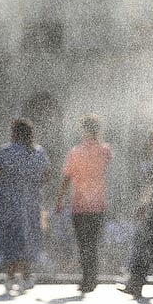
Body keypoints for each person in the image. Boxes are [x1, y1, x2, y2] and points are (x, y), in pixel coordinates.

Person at [0, 118, 50, 295]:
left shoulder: (6, 151)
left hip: (7, 204)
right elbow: (46, 177)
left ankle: (10, 277)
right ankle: (25, 276)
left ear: (14, 132)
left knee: (10, 239)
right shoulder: (39, 152)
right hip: (31, 205)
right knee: (27, 239)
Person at [56, 114, 112, 293]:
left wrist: (59, 199)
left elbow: (66, 178)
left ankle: (87, 278)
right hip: (98, 204)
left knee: (83, 243)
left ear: (85, 131)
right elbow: (108, 169)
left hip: (79, 204)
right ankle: (92, 277)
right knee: (93, 243)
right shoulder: (105, 150)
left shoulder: (75, 152)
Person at [117, 127, 153, 298]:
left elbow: (152, 185)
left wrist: (143, 205)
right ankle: (139, 282)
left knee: (150, 246)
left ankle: (138, 283)